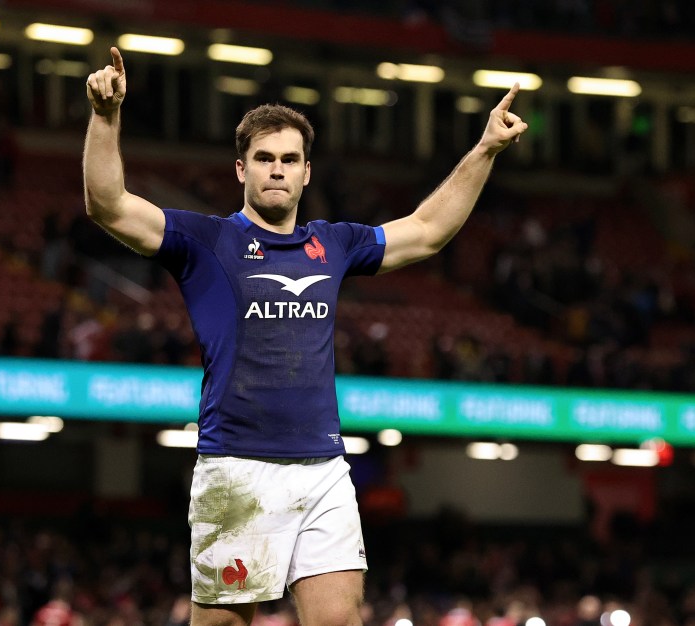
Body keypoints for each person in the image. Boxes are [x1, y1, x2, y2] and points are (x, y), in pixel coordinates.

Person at [83, 47, 527, 626]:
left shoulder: (335, 242)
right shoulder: (205, 241)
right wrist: (105, 116)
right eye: (264, 158)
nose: (276, 169)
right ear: (241, 169)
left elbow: (427, 231)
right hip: (237, 469)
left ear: (306, 171)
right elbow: (108, 206)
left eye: (289, 159)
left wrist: (486, 147)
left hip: (324, 469)